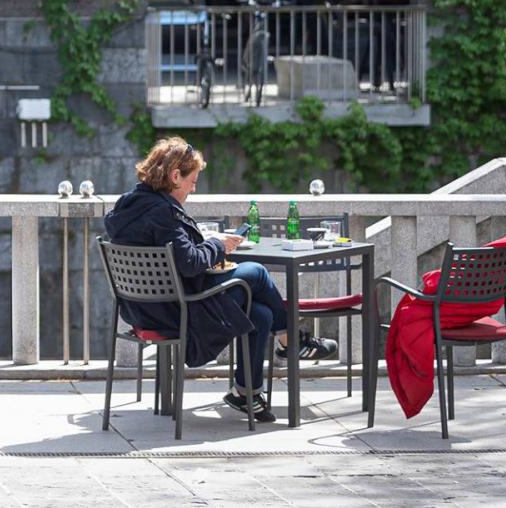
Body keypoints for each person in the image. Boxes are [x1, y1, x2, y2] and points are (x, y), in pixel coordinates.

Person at [104, 137, 337, 423]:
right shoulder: (163, 213)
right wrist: (218, 245)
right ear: (175, 176)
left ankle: (245, 393)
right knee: (257, 273)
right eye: (193, 180)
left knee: (260, 313)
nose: (194, 187)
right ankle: (292, 341)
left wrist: (205, 241)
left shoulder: (129, 206)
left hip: (142, 309)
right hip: (180, 311)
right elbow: (189, 264)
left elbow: (175, 257)